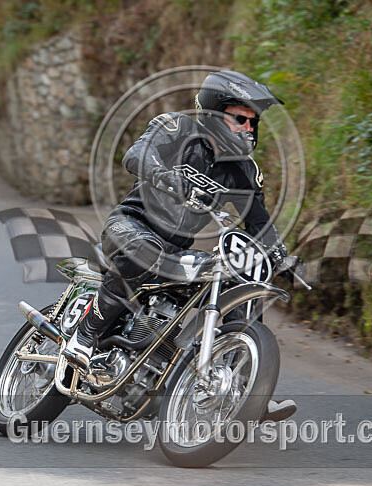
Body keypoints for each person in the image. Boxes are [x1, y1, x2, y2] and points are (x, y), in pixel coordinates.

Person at [63, 70, 297, 421]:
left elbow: (259, 223)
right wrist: (163, 174)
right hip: (132, 225)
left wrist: (279, 254)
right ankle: (85, 334)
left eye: (253, 122)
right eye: (240, 119)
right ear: (215, 113)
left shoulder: (243, 171)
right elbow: (136, 154)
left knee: (240, 279)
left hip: (175, 249)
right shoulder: (177, 128)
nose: (249, 128)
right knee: (145, 251)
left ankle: (245, 389)